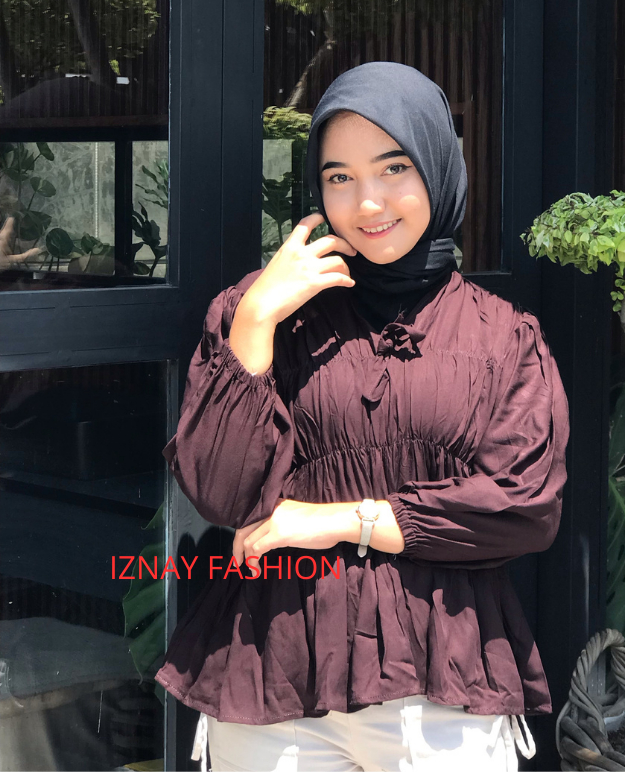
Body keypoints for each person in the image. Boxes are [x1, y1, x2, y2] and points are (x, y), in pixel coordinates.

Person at [155, 61, 570, 772]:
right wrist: (253, 323)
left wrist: (340, 521)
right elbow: (223, 496)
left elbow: (524, 507)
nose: (368, 202)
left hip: (443, 682)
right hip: (276, 676)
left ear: (438, 167)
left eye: (394, 168)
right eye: (339, 176)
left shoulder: (503, 337)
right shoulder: (268, 313)